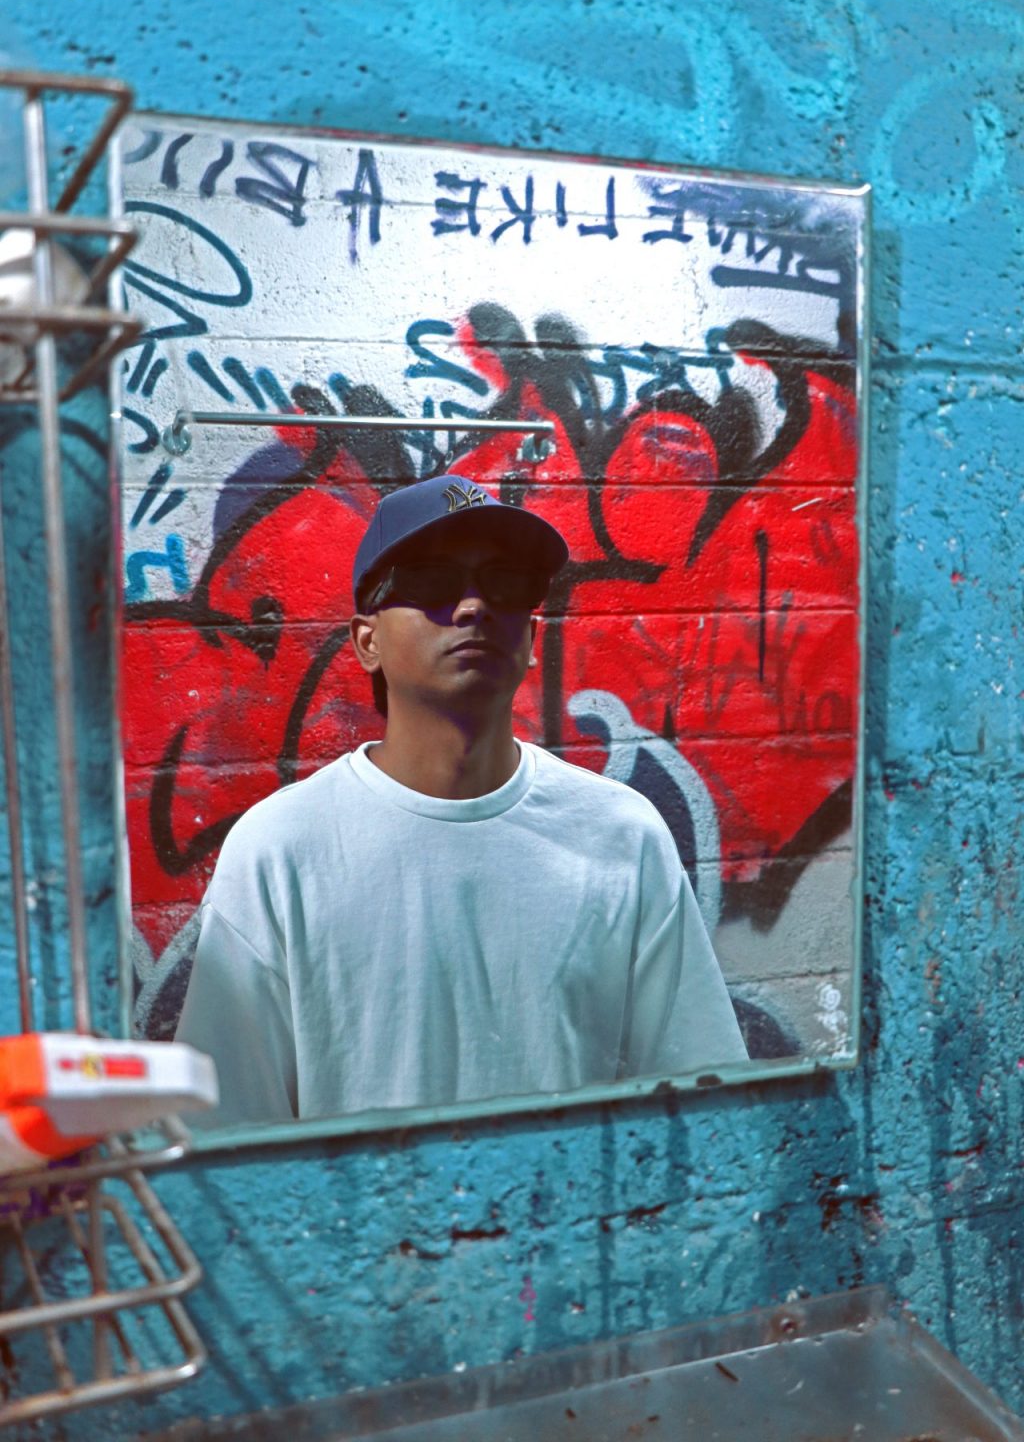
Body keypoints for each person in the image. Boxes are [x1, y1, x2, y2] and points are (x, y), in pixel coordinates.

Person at [175, 474, 747, 1125]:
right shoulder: (281, 850)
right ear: (367, 641)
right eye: (431, 583)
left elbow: (703, 1101)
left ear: (531, 638)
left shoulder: (621, 835)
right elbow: (227, 1131)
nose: (474, 607)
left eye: (506, 583)